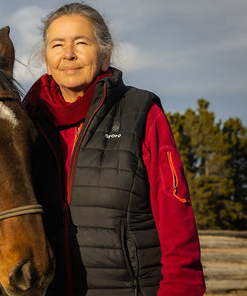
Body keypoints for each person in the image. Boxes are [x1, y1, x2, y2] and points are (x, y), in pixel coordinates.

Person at [23, 3, 206, 295]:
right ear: (47, 59)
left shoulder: (141, 112)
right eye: (58, 44)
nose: (68, 54)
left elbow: (176, 217)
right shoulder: (26, 121)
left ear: (105, 55)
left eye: (81, 43)